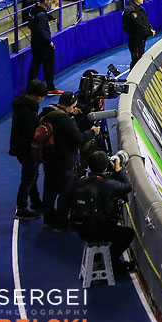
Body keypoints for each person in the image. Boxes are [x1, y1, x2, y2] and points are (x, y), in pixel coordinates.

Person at [41, 91, 100, 230]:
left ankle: (48, 219)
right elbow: (79, 138)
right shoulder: (65, 120)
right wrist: (92, 132)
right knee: (65, 194)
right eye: (73, 107)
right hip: (65, 163)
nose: (74, 109)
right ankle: (61, 223)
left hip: (48, 160)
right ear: (69, 105)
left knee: (49, 191)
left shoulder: (47, 113)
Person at [71, 151, 136, 274]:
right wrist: (119, 170)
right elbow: (127, 186)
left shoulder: (81, 181)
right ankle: (111, 263)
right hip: (98, 230)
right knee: (128, 234)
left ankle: (108, 261)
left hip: (81, 229)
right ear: (105, 167)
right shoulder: (107, 184)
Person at [9, 80, 48, 220]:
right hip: (26, 150)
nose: (41, 99)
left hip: (22, 148)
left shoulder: (25, 106)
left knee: (33, 175)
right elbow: (31, 132)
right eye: (39, 96)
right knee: (28, 178)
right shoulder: (25, 111)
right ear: (31, 95)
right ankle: (22, 208)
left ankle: (35, 201)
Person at [27, 0, 63, 96]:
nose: (50, 2)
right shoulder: (42, 15)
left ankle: (29, 88)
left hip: (34, 42)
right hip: (44, 44)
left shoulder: (33, 11)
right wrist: (49, 42)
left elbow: (31, 25)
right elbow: (42, 30)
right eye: (49, 0)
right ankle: (50, 88)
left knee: (35, 65)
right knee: (48, 67)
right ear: (46, 1)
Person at [122, 0, 154, 65]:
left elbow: (145, 21)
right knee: (137, 60)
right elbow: (138, 25)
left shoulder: (140, 9)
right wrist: (149, 32)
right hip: (135, 39)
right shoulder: (131, 10)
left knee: (140, 56)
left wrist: (150, 29)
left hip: (141, 39)